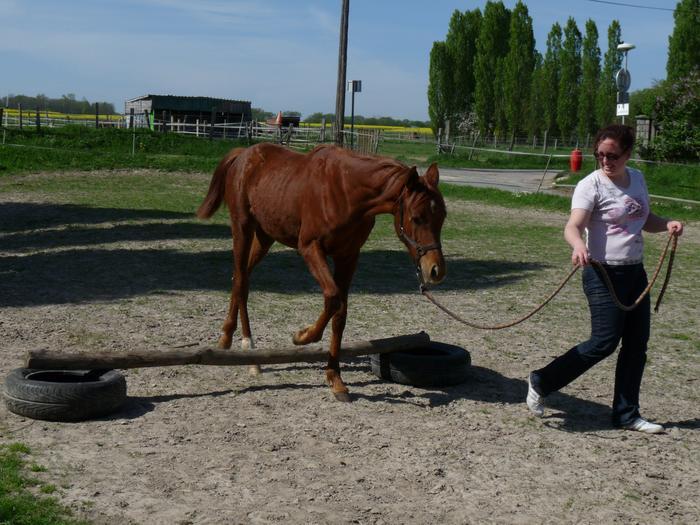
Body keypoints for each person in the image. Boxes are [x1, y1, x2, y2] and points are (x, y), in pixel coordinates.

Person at [526, 124, 684, 434]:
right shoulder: (591, 185)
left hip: (634, 271)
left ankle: (627, 414)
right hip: (602, 272)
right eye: (600, 155)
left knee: (637, 345)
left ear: (627, 154)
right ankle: (542, 380)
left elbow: (643, 220)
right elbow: (572, 226)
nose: (605, 161)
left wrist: (667, 224)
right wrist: (579, 245)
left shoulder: (636, 178)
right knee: (604, 342)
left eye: (612, 155)